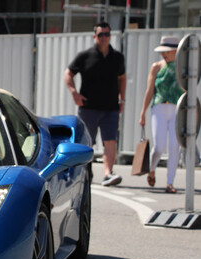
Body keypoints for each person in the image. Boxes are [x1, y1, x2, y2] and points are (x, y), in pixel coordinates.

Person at [64, 22, 126, 186]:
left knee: (110, 141)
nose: (104, 38)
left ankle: (108, 174)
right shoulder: (85, 56)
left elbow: (122, 78)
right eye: (101, 35)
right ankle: (86, 172)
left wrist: (122, 98)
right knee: (87, 143)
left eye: (107, 34)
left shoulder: (117, 57)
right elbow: (68, 74)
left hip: (111, 108)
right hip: (88, 108)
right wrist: (74, 93)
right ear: (95, 37)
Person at [138, 36, 183, 194]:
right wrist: (143, 112)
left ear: (176, 51)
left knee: (174, 146)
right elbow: (149, 90)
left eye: (167, 51)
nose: (164, 54)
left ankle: (170, 182)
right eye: (163, 51)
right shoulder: (156, 67)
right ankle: (152, 169)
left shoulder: (183, 67)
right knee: (159, 146)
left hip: (177, 108)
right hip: (159, 107)